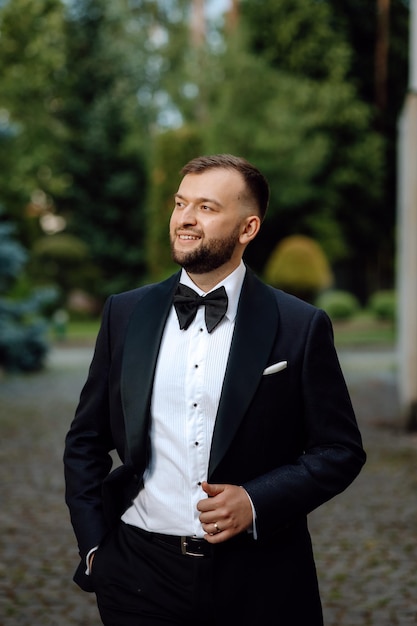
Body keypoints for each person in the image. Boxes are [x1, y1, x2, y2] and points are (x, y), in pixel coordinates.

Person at [64, 153, 366, 626]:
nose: (184, 219)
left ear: (247, 229)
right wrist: (96, 550)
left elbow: (340, 450)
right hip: (139, 575)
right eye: (181, 203)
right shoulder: (124, 314)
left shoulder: (300, 326)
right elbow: (85, 441)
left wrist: (254, 500)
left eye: (206, 208)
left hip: (261, 580)